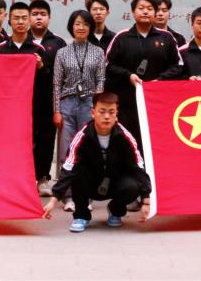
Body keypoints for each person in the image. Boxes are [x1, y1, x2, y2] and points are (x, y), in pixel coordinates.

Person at [42, 92, 152, 232]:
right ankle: (81, 216)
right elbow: (68, 168)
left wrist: (146, 200)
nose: (106, 116)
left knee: (132, 185)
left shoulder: (125, 136)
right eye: (102, 111)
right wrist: (54, 200)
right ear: (93, 113)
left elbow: (138, 167)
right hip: (90, 185)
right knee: (77, 173)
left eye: (111, 112)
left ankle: (115, 210)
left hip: (115, 183)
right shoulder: (82, 136)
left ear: (116, 114)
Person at [105, 0, 182, 146]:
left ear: (155, 13)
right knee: (128, 142)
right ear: (133, 13)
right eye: (141, 8)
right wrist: (128, 75)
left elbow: (178, 65)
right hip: (128, 102)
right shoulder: (122, 37)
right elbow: (108, 65)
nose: (145, 12)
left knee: (156, 142)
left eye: (149, 9)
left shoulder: (166, 37)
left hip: (158, 102)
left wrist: (159, 80)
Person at [52, 9, 107, 212]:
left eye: (85, 24)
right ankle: (67, 196)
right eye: (77, 24)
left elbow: (101, 80)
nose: (81, 27)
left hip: (89, 104)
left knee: (88, 150)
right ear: (71, 27)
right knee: (66, 151)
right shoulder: (62, 53)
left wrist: (97, 107)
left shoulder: (98, 52)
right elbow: (57, 84)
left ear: (90, 27)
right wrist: (56, 110)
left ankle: (87, 196)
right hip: (67, 104)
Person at [0, 2, 49, 191]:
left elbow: (47, 80)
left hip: (32, 106)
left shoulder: (38, 50)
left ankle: (33, 179)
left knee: (31, 144)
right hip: (6, 107)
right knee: (7, 142)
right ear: (9, 21)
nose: (21, 22)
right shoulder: (0, 49)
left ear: (29, 20)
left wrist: (41, 67)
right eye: (16, 18)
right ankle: (6, 178)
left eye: (24, 18)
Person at [27, 0, 67, 194]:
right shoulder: (20, 40)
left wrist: (43, 68)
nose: (39, 17)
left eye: (43, 14)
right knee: (24, 141)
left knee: (46, 141)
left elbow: (63, 75)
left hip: (47, 102)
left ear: (49, 18)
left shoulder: (58, 43)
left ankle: (43, 178)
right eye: (35, 14)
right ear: (29, 17)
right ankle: (26, 178)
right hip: (23, 103)